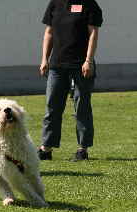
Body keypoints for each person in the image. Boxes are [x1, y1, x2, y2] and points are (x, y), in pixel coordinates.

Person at [38, 0, 103, 161]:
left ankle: (83, 149)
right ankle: (46, 148)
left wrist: (88, 60)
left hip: (81, 65)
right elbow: (49, 32)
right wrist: (44, 59)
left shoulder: (89, 4)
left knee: (82, 107)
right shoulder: (55, 3)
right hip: (57, 65)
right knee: (52, 106)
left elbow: (93, 32)